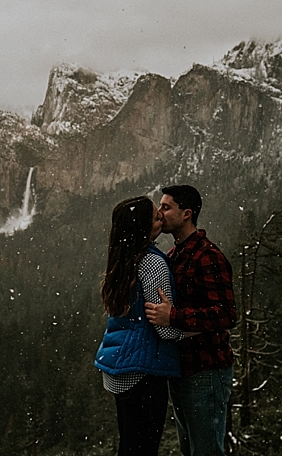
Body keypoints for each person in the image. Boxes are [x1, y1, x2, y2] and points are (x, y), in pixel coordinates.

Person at [145, 184, 237, 456]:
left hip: (206, 370)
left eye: (165, 207)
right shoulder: (174, 255)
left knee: (206, 450)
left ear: (186, 214)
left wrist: (172, 316)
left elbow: (226, 314)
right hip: (181, 368)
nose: (160, 213)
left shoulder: (207, 256)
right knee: (190, 450)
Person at [95, 195, 188, 455]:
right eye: (156, 216)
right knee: (143, 449)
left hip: (117, 365)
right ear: (142, 227)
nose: (161, 216)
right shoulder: (153, 263)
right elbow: (164, 326)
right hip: (143, 370)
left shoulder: (121, 260)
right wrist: (193, 327)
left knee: (129, 445)